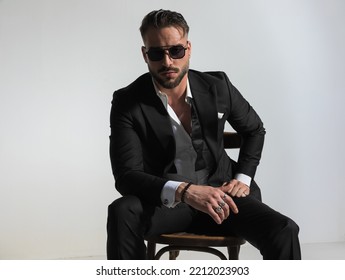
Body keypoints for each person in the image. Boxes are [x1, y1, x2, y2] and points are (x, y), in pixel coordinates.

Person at [107, 9, 301, 260]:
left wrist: (242, 178)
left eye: (175, 51)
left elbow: (254, 130)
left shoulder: (218, 87)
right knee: (122, 211)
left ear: (188, 48)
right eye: (157, 53)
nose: (167, 62)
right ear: (145, 55)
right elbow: (126, 176)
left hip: (223, 198)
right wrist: (185, 191)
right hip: (167, 206)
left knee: (284, 230)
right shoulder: (128, 101)